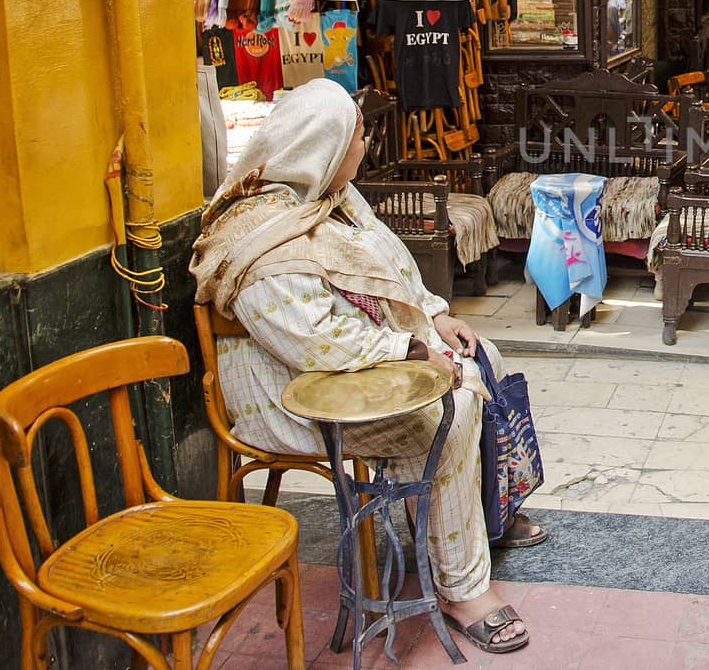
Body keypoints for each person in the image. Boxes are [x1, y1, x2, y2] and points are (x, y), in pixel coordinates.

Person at [190, 80, 542, 656]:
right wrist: (412, 351)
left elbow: (393, 272)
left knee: (483, 357)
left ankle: (482, 515)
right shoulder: (257, 239)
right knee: (445, 419)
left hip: (354, 368)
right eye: (358, 134)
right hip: (289, 394)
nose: (365, 144)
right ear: (324, 146)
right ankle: (462, 589)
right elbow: (316, 344)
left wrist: (433, 318)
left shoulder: (334, 196)